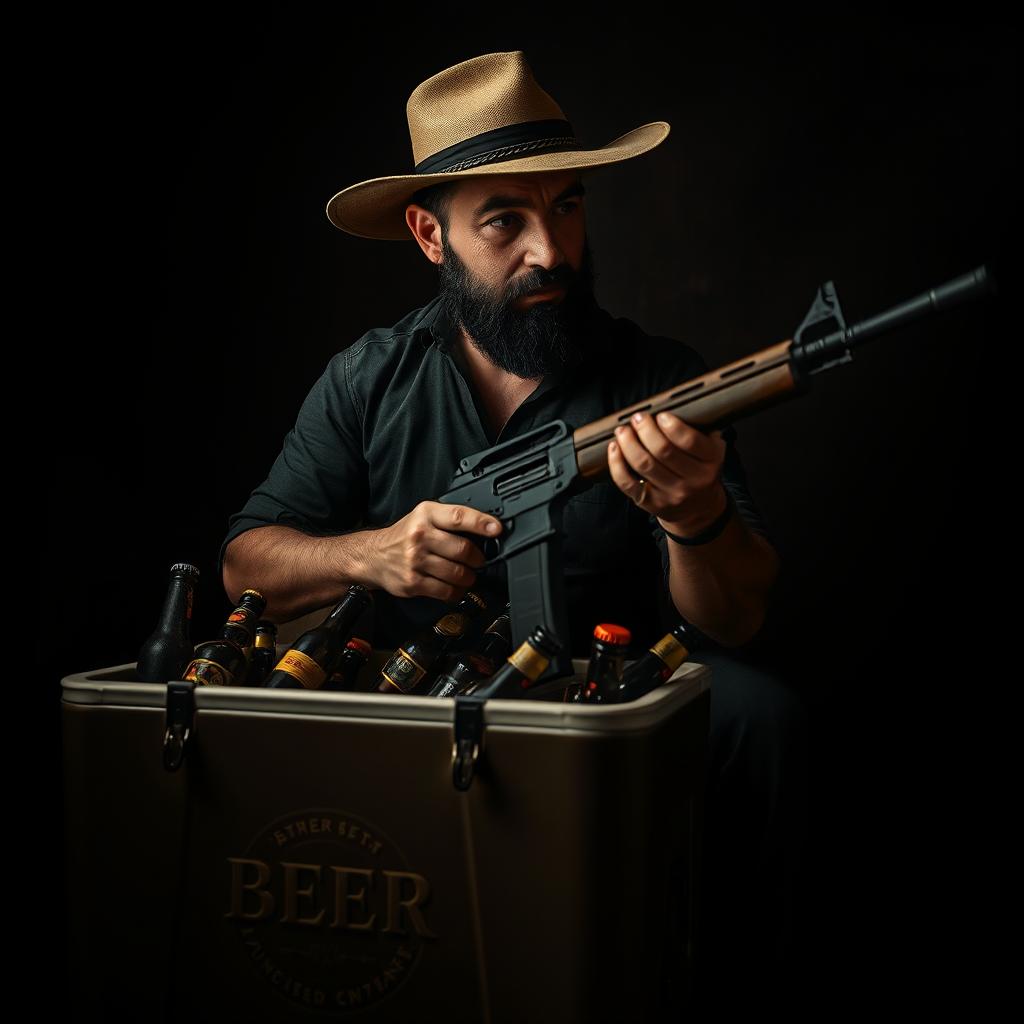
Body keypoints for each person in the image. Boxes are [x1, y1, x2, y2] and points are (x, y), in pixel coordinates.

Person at [219, 50, 808, 1011]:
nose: (552, 250)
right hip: (404, 713)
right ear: (428, 234)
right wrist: (374, 552)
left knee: (758, 716)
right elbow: (246, 561)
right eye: (506, 220)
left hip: (599, 710)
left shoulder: (658, 380)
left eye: (567, 207)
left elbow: (735, 617)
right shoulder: (369, 378)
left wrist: (694, 517)